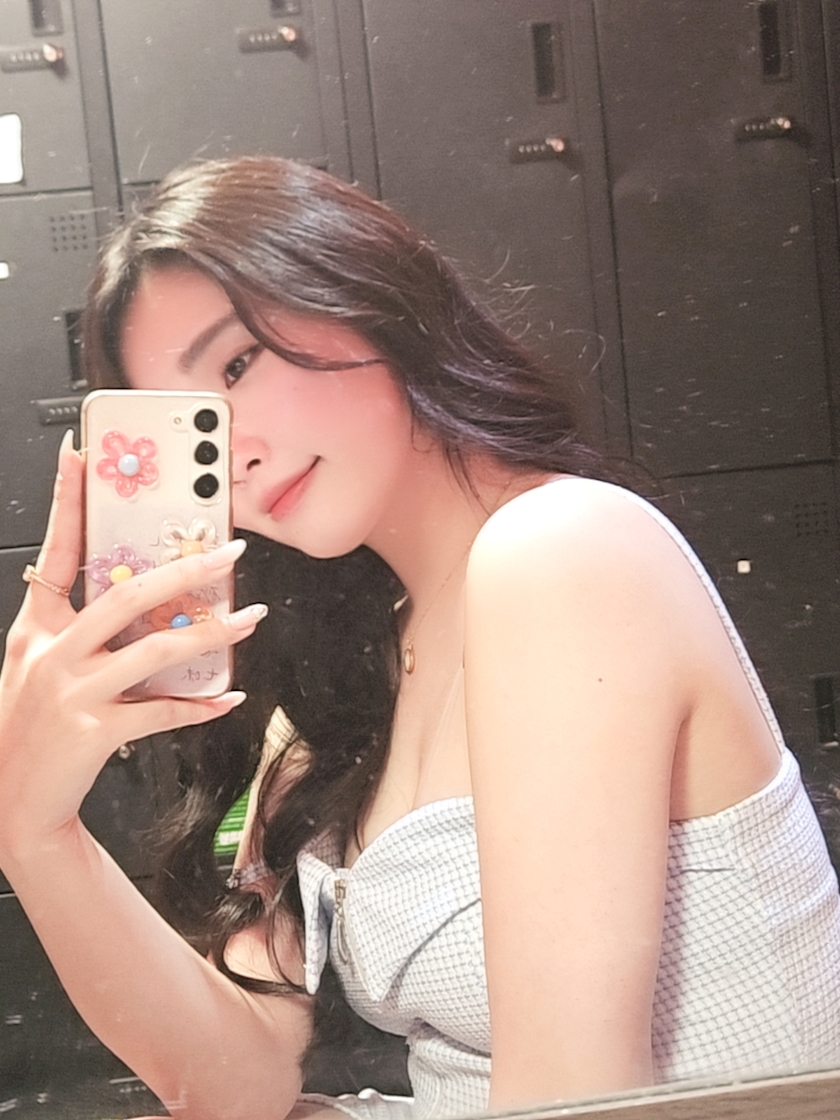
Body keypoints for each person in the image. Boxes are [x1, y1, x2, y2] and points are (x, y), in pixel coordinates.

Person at [0, 156, 838, 1120]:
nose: (235, 458)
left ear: (366, 295)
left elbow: (575, 1099)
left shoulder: (562, 552)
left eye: (236, 366)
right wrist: (33, 829)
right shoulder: (333, 701)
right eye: (195, 429)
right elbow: (234, 1086)